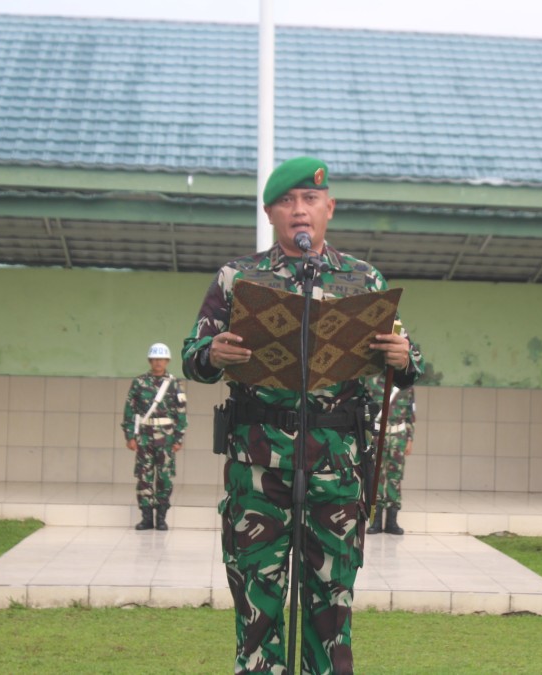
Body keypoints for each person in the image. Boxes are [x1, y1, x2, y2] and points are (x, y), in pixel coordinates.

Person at [181, 156, 424, 675]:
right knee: (256, 599)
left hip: (336, 469)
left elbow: (402, 362)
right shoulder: (238, 278)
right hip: (258, 468)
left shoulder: (362, 278)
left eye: (310, 200)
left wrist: (406, 358)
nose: (299, 210)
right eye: (287, 202)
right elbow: (193, 356)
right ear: (270, 212)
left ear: (328, 209)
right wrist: (211, 355)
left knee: (331, 605)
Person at [121, 342, 188, 531]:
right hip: (144, 437)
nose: (158, 362)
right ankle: (146, 518)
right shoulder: (139, 382)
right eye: (155, 359)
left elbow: (181, 413)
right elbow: (130, 410)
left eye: (162, 359)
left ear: (167, 361)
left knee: (164, 478)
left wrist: (178, 438)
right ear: (150, 360)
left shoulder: (174, 384)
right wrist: (130, 436)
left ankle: (161, 518)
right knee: (144, 477)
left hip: (166, 438)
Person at [364, 374, 415, 535]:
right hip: (377, 436)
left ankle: (392, 522)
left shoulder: (407, 385)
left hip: (398, 437)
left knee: (395, 477)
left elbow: (410, 414)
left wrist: (410, 439)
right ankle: (375, 521)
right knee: (375, 476)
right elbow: (366, 411)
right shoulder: (371, 383)